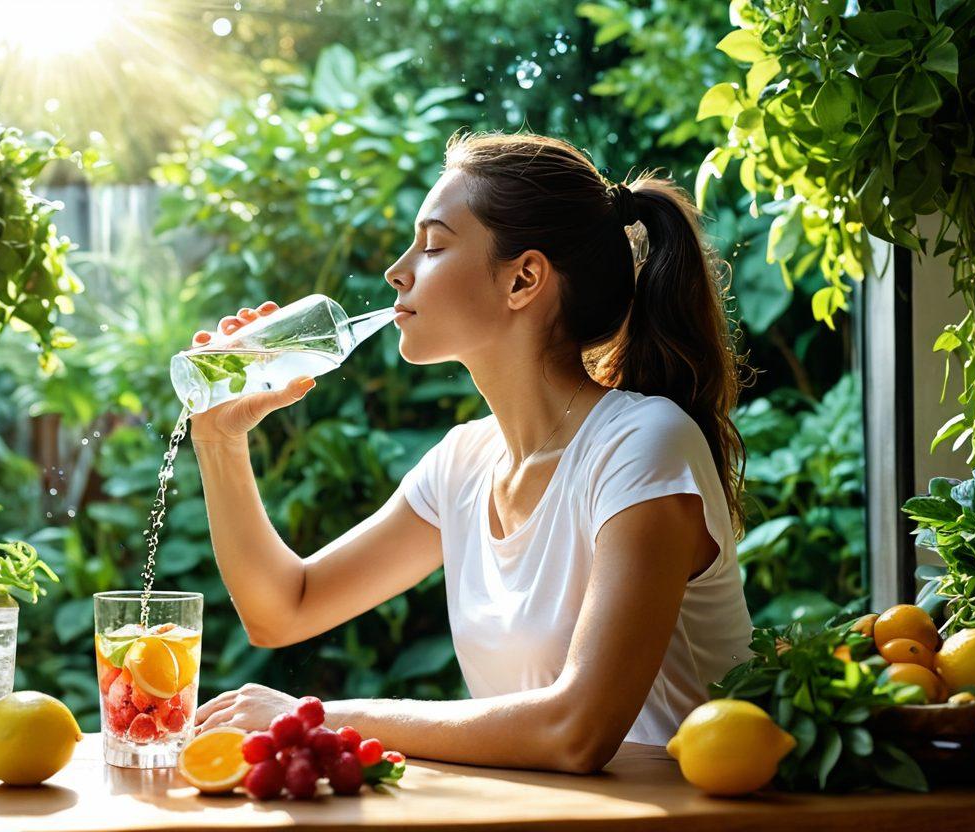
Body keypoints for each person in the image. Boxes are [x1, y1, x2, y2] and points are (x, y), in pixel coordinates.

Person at [187, 130, 753, 774]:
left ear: (523, 279)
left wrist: (316, 718)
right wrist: (220, 438)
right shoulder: (464, 463)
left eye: (432, 245)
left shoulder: (642, 445)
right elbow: (282, 609)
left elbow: (577, 730)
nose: (397, 271)